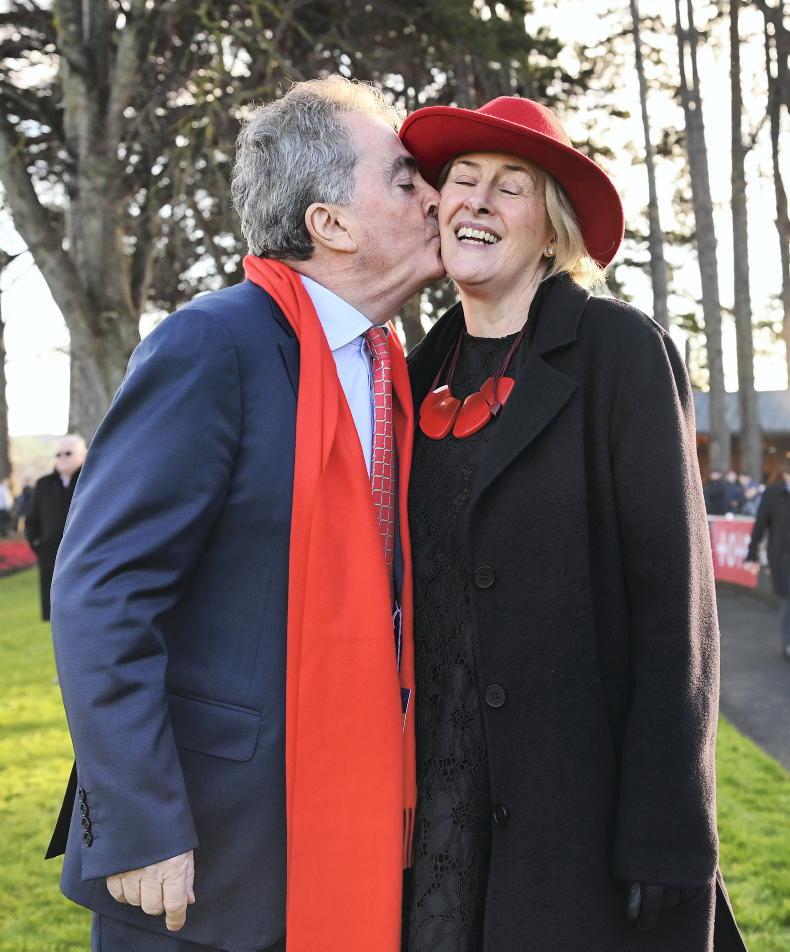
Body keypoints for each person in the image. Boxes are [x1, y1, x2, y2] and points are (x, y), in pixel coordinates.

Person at [47, 76, 443, 952]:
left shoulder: (393, 366)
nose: (434, 197)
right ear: (331, 224)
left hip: (349, 831)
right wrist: (142, 824)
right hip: (198, 868)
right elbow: (101, 592)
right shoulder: (213, 344)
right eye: (404, 179)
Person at [398, 97, 745, 951]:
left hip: (578, 815)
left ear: (551, 232)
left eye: (510, 186)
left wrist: (666, 830)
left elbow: (676, 610)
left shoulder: (621, 353)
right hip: (433, 815)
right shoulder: (409, 374)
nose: (477, 200)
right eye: (463, 179)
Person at [24, 435, 86, 619]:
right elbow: (31, 519)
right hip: (50, 556)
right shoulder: (43, 484)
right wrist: (38, 544)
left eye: (68, 453)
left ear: (83, 454)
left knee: (82, 608)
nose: (62, 457)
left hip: (83, 553)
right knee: (55, 611)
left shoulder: (91, 481)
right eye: (58, 454)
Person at [744, 461, 790, 661]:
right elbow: (760, 524)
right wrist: (752, 554)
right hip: (782, 557)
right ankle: (788, 642)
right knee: (788, 600)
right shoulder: (773, 493)